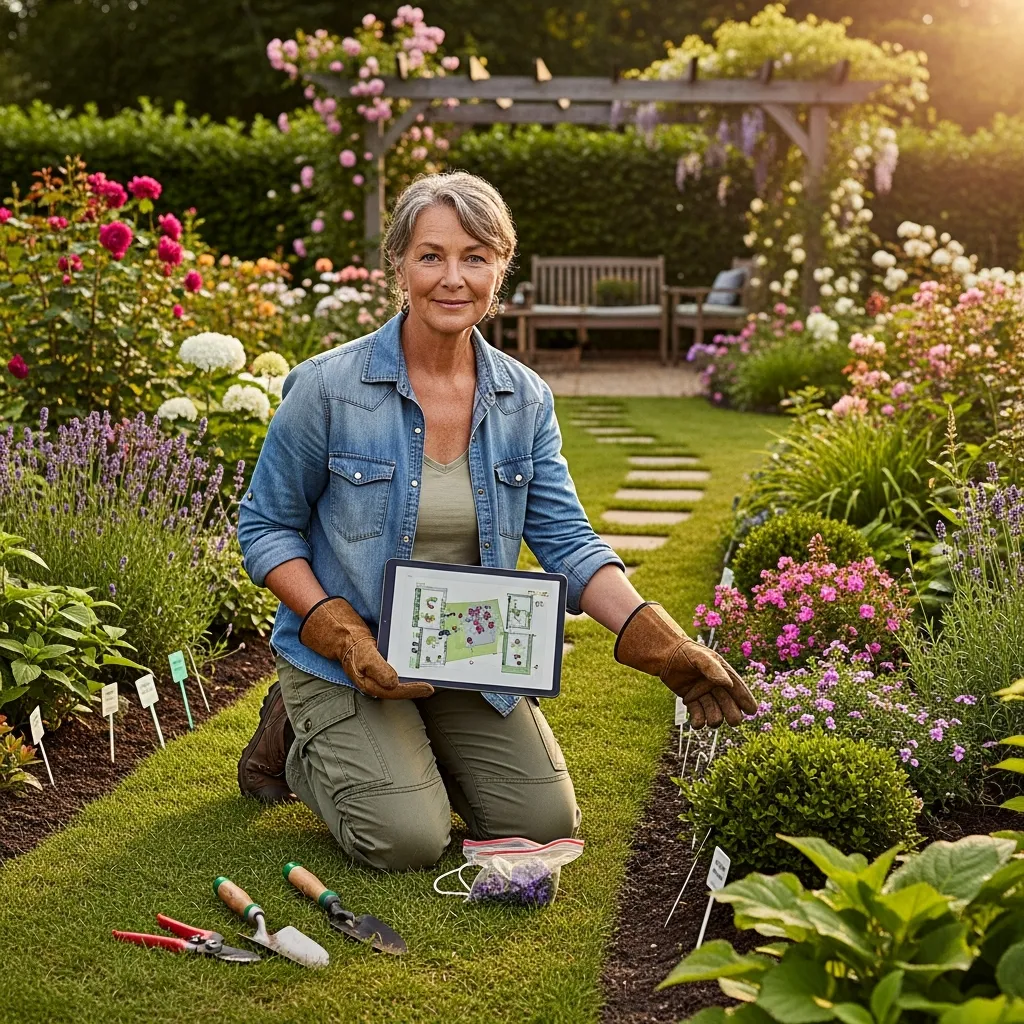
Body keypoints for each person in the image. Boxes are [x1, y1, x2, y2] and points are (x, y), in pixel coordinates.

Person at [235, 171, 756, 872]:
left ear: (500, 270)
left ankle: (405, 743)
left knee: (541, 824)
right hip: (348, 655)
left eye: (475, 257)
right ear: (399, 266)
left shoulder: (523, 399)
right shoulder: (329, 387)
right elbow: (266, 527)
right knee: (405, 839)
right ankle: (298, 735)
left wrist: (660, 640)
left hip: (462, 653)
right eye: (431, 256)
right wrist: (339, 629)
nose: (453, 278)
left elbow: (567, 541)